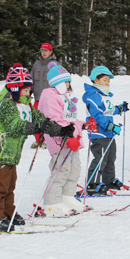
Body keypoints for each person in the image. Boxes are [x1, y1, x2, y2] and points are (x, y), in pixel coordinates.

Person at [0, 64, 73, 231]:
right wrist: (36, 127)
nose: (30, 94)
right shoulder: (8, 104)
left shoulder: (27, 105)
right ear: (16, 89)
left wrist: (61, 129)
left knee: (9, 186)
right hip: (0, 152)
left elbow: (43, 121)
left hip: (11, 154)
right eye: (26, 90)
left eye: (30, 90)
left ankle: (7, 212)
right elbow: (15, 125)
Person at [39, 62, 86, 217]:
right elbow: (55, 119)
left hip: (72, 140)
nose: (66, 85)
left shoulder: (66, 97)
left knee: (74, 169)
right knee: (61, 170)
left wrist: (83, 125)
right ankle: (52, 203)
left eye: (68, 82)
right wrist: (68, 135)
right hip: (59, 140)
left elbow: (70, 119)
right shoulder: (49, 95)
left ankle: (67, 197)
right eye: (63, 82)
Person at [82, 66, 128, 195]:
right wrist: (110, 126)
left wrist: (120, 108)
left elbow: (108, 110)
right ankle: (92, 183)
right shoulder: (92, 96)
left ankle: (108, 180)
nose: (107, 83)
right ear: (96, 80)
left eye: (109, 81)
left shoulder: (104, 95)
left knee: (111, 156)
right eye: (105, 80)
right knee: (100, 158)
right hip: (98, 132)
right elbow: (97, 115)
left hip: (108, 132)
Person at [30, 42, 59, 149]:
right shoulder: (36, 64)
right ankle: (38, 140)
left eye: (46, 51)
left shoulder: (55, 64)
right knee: (36, 119)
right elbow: (31, 79)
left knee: (48, 119)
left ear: (51, 52)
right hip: (38, 97)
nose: (44, 53)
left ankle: (48, 139)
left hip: (49, 98)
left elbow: (59, 81)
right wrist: (29, 92)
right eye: (42, 50)